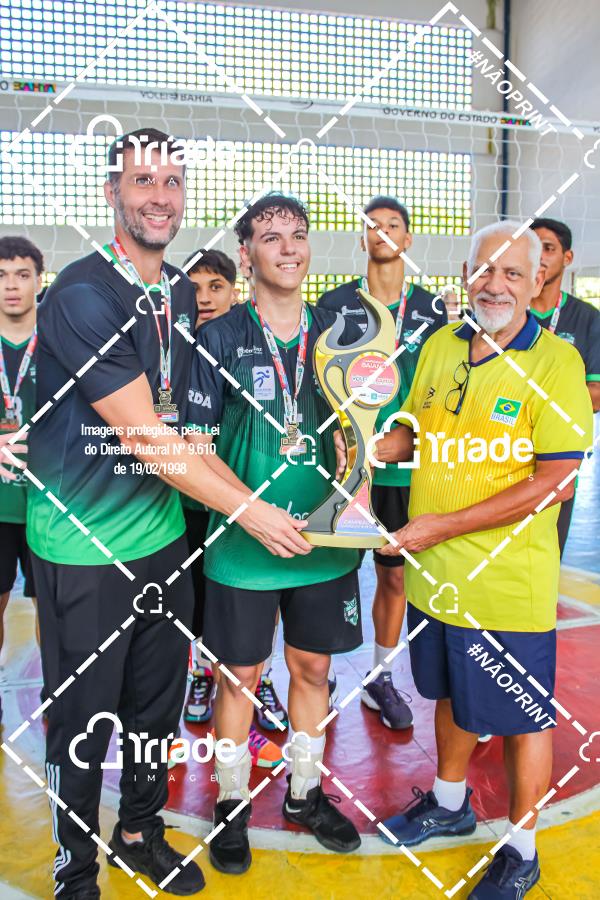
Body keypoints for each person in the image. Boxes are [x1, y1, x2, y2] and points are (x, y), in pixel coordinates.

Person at [27, 130, 308, 899]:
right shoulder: (82, 294)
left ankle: (139, 834)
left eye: (173, 182)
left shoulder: (181, 292)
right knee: (83, 722)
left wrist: (253, 500)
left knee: (153, 713)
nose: (160, 196)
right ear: (111, 193)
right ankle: (75, 867)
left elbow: (183, 430)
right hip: (84, 548)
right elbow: (147, 437)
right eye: (142, 180)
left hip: (162, 541)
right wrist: (252, 514)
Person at [374, 221, 592, 899]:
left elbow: (555, 482)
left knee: (524, 719)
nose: (495, 285)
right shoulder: (441, 344)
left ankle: (521, 850)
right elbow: (420, 431)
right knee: (448, 696)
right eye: (484, 270)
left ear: (537, 280)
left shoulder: (556, 364)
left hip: (505, 585)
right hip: (434, 577)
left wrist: (440, 524)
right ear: (465, 274)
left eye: (512, 273)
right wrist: (369, 445)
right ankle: (449, 802)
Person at [186, 192, 363, 875]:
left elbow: (373, 428)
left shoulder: (340, 332)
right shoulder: (219, 336)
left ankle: (305, 792)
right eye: (271, 237)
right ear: (246, 254)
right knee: (239, 678)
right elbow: (194, 447)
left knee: (313, 669)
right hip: (244, 543)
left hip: (322, 542)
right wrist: (249, 511)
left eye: (298, 234)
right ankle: (231, 802)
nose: (288, 248)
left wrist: (361, 466)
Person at [318, 195, 447, 730]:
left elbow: (440, 387)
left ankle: (379, 678)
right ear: (362, 237)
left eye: (394, 224)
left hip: (404, 469)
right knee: (330, 577)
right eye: (374, 224)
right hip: (348, 465)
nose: (383, 231)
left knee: (394, 579)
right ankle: (320, 679)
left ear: (408, 238)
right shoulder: (334, 303)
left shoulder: (433, 309)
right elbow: (318, 379)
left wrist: (409, 438)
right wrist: (335, 437)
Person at [180, 248, 284, 769]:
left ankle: (256, 678)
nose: (204, 297)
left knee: (256, 600)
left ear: (234, 290)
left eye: (215, 286)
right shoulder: (171, 350)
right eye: (194, 288)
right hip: (186, 503)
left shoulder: (254, 344)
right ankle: (201, 674)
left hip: (246, 502)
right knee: (198, 605)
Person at [529, 218, 600, 555]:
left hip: (556, 458)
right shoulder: (504, 311)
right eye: (533, 247)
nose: (539, 255)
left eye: (548, 248)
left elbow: (596, 396)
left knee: (546, 554)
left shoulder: (587, 318)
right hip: (495, 452)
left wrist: (528, 403)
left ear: (567, 258)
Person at [0, 236, 42, 680]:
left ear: (38, 281)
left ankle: (56, 694)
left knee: (51, 606)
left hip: (48, 502)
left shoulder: (59, 345)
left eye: (22, 274)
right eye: (1, 275)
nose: (11, 285)